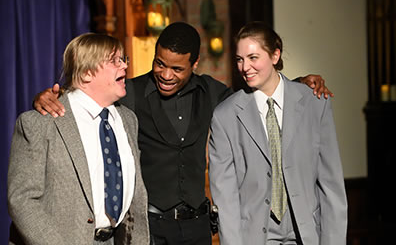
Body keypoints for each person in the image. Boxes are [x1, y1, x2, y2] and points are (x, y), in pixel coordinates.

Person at [33, 22, 333, 245]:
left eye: (177, 69)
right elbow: (86, 100)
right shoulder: (130, 93)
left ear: (194, 65)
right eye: (160, 64)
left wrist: (298, 83)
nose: (165, 74)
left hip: (198, 228)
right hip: (148, 228)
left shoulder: (213, 92)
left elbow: (259, 100)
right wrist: (46, 97)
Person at [208, 21, 347, 245]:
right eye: (240, 59)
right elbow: (226, 199)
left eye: (253, 58)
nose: (245, 67)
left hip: (307, 236)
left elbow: (331, 187)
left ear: (275, 55)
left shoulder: (315, 104)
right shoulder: (225, 116)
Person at [7, 33, 149, 245]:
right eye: (114, 60)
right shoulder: (39, 124)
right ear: (86, 73)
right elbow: (22, 200)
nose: (124, 66)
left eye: (123, 59)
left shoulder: (128, 120)